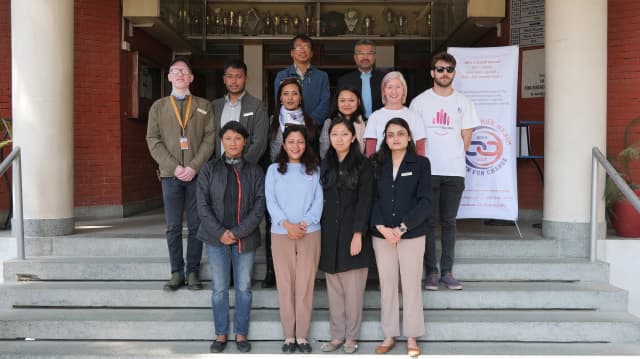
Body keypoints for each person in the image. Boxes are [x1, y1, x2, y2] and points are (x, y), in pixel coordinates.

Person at [409, 51, 480, 291]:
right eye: (440, 69)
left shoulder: (464, 102)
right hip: (428, 170)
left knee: (449, 222)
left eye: (449, 70)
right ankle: (431, 272)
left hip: (454, 170)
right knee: (428, 222)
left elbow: (466, 138)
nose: (444, 73)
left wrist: (452, 155)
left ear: (454, 73)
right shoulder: (419, 102)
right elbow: (414, 139)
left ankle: (447, 271)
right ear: (432, 73)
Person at [146, 57, 215, 291]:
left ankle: (193, 271)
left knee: (197, 225)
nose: (180, 75)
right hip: (170, 175)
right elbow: (152, 140)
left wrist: (194, 166)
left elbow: (209, 139)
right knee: (173, 226)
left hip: (197, 175)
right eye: (175, 71)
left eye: (184, 71)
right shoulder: (159, 107)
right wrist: (175, 167)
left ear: (191, 77)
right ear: (169, 76)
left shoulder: (204, 106)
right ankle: (176, 271)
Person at [196, 122, 265, 354]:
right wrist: (220, 233)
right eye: (228, 138)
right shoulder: (209, 169)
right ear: (221, 141)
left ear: (244, 142)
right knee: (219, 289)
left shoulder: (255, 171)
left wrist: (236, 232)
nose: (233, 143)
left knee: (244, 287)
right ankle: (221, 333)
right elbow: (202, 205)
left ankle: (241, 332)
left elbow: (259, 206)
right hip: (216, 239)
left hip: (244, 238)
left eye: (237, 138)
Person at [370, 118, 431, 358]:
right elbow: (370, 198)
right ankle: (389, 334)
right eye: (391, 134)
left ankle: (412, 335)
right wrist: (381, 227)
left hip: (411, 234)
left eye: (400, 133)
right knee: (387, 284)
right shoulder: (376, 165)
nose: (395, 138)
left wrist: (403, 228)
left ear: (409, 137)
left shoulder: (421, 164)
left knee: (411, 285)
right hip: (382, 234)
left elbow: (426, 201)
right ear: (385, 138)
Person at [265, 125, 323, 354]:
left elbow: (319, 200)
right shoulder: (272, 170)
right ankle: (289, 335)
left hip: (309, 232)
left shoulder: (314, 170)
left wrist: (305, 223)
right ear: (284, 144)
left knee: (305, 285)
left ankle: (302, 336)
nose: (296, 146)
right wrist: (286, 224)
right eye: (291, 141)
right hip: (281, 233)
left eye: (300, 141)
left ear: (306, 144)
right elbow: (270, 200)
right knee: (286, 285)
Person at [318, 117, 374, 354]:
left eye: (344, 134)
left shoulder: (364, 165)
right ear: (329, 138)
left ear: (353, 137)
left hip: (353, 235)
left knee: (352, 294)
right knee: (334, 292)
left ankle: (351, 337)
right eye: (334, 134)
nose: (339, 138)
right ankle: (336, 336)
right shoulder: (324, 164)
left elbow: (366, 201)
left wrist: (358, 234)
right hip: (330, 235)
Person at [261, 77, 318, 289]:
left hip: (303, 177)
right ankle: (271, 271)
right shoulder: (272, 121)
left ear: (300, 97)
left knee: (300, 221)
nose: (290, 97)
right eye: (285, 94)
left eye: (294, 93)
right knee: (274, 223)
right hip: (278, 175)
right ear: (280, 97)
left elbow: (315, 152)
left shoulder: (310, 121)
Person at [212, 60, 268, 164]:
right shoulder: (215, 106)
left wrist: (243, 165)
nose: (234, 81)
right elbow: (210, 139)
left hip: (246, 169)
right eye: (230, 76)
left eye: (238, 76)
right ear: (224, 79)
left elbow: (260, 142)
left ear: (246, 79)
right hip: (220, 168)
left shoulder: (257, 106)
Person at [363, 71, 426, 158]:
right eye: (389, 87)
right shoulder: (374, 117)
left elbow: (420, 151)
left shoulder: (415, 117)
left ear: (404, 90)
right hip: (381, 168)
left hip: (409, 168)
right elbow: (370, 153)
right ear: (384, 91)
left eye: (398, 87)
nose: (394, 91)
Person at [274, 34, 330, 129]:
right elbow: (279, 102)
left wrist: (310, 122)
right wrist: (292, 124)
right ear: (292, 52)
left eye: (306, 47)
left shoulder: (321, 76)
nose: (303, 50)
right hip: (288, 127)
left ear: (312, 53)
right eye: (298, 47)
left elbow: (325, 103)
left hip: (314, 128)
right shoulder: (282, 76)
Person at [337, 39, 386, 118]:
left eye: (369, 53)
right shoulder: (344, 80)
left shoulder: (384, 79)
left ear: (374, 57)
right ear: (355, 57)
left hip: (380, 123)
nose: (365, 57)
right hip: (353, 124)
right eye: (361, 53)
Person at [318, 86, 366, 159]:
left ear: (358, 102)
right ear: (337, 102)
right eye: (342, 101)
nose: (347, 104)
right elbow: (324, 152)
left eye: (351, 100)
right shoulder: (329, 122)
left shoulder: (366, 123)